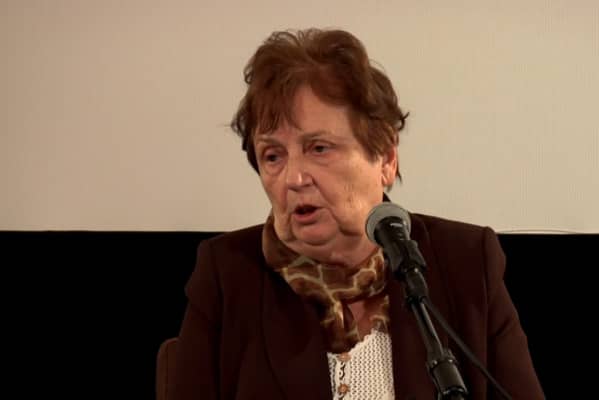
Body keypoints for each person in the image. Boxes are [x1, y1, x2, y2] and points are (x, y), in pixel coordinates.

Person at [171, 28, 544, 400]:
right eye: (273, 156)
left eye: (319, 148)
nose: (294, 178)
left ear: (386, 157)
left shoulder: (466, 262)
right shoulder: (227, 277)